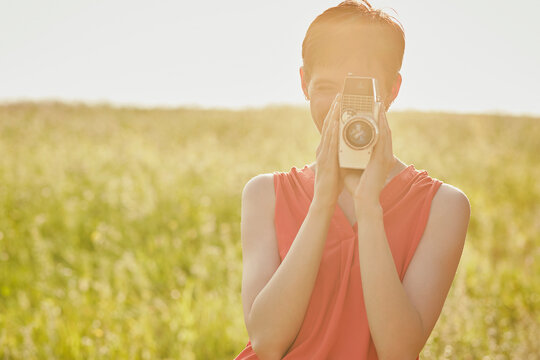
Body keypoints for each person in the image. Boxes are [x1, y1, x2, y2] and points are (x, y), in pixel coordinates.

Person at [234, 1, 471, 359]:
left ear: (392, 90)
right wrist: (322, 200)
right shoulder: (265, 194)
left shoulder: (443, 206)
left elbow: (398, 350)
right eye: (327, 86)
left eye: (360, 89)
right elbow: (267, 342)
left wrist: (368, 207)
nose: (343, 106)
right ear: (304, 84)